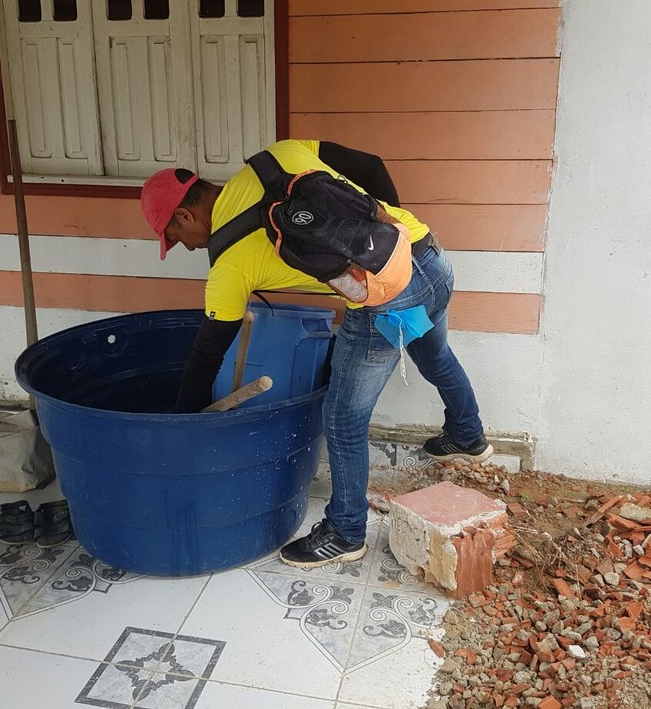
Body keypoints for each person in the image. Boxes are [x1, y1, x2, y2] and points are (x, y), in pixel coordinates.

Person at [140, 139, 492, 569]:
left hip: (387, 302)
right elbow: (373, 161)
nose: (188, 246)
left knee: (343, 419)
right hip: (428, 255)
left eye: (177, 237)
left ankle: (345, 532)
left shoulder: (227, 266)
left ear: (185, 214)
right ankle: (468, 435)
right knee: (433, 355)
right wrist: (385, 246)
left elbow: (207, 355)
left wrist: (180, 424)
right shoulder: (279, 155)